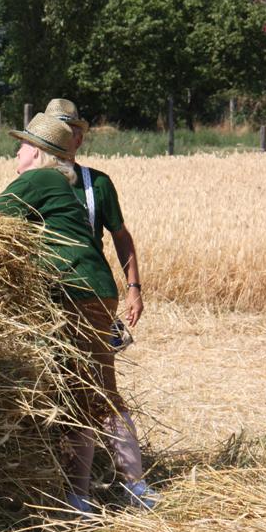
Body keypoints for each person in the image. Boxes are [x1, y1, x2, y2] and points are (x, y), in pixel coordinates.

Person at [0, 112, 154, 513]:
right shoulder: (54, 182)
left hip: (79, 292)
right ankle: (114, 488)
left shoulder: (37, 180)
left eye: (23, 144)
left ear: (40, 152)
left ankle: (95, 495)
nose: (17, 150)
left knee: (88, 393)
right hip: (83, 291)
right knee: (89, 389)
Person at [43, 98, 155, 510]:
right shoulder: (34, 180)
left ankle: (124, 486)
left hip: (85, 299)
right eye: (59, 129)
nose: (68, 137)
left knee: (95, 391)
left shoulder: (97, 184)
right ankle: (70, 484)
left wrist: (134, 287)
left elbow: (121, 237)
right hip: (43, 302)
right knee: (58, 392)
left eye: (73, 130)